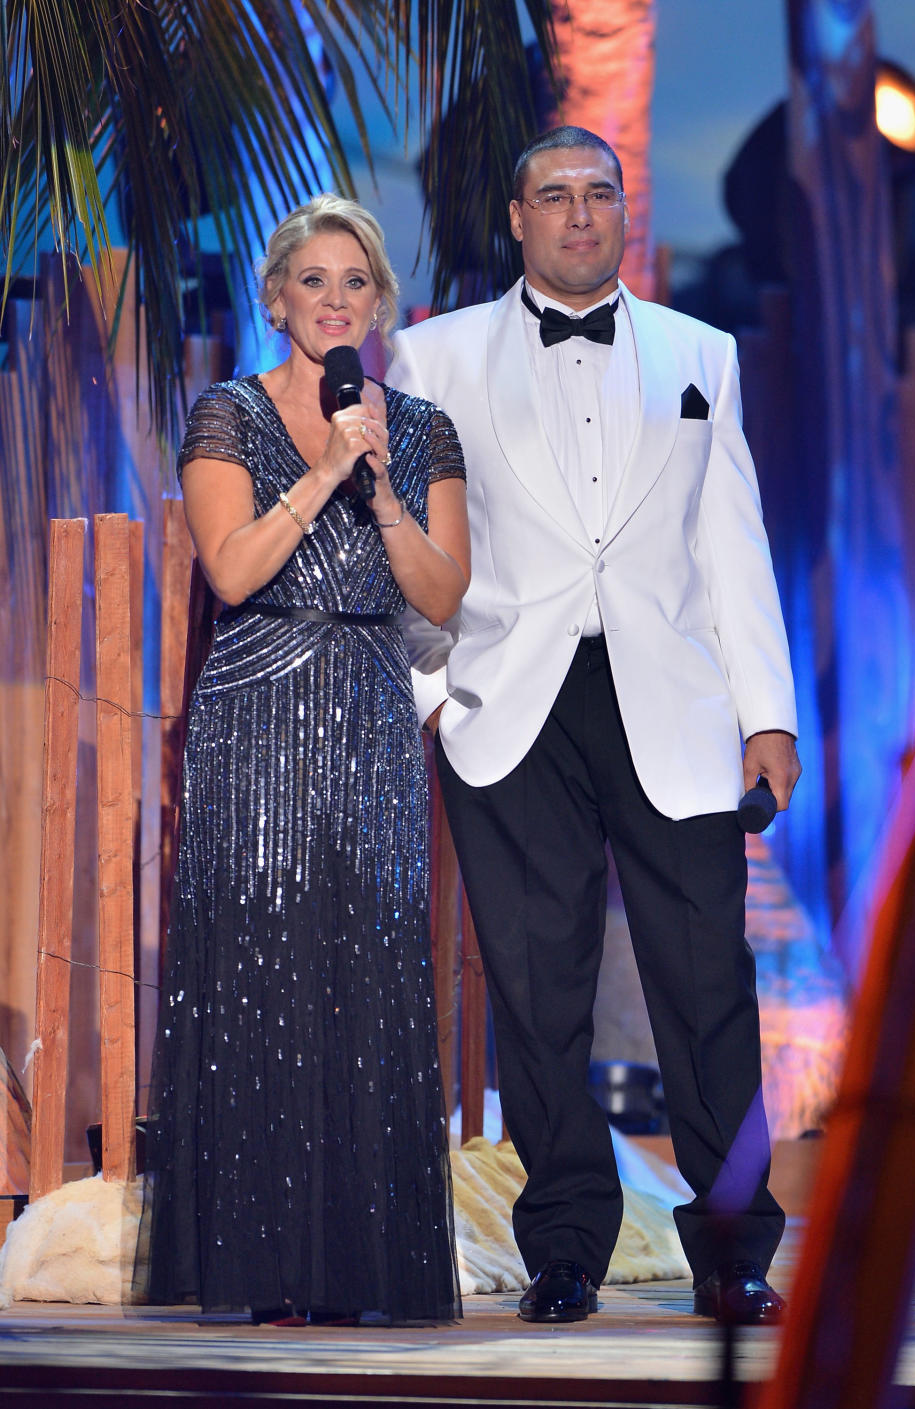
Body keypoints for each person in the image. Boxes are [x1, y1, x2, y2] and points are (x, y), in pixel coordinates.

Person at [387, 127, 801, 1327]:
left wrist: (768, 715)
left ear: (625, 210)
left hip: (669, 697)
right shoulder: (434, 354)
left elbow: (735, 544)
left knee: (707, 981)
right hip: (508, 702)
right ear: (516, 219)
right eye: (554, 197)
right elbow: (404, 536)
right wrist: (430, 696)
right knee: (536, 987)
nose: (579, 215)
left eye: (599, 195)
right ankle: (565, 1243)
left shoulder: (699, 352)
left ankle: (735, 1252)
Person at [140, 195, 468, 1326]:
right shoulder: (225, 414)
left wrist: (376, 484)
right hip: (256, 714)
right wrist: (326, 467)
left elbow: (441, 592)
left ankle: (363, 1262)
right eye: (313, 282)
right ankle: (261, 1261)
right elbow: (231, 571)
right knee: (267, 973)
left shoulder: (421, 429)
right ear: (276, 297)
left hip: (372, 713)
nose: (335, 301)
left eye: (355, 283)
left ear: (380, 302)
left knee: (365, 966)